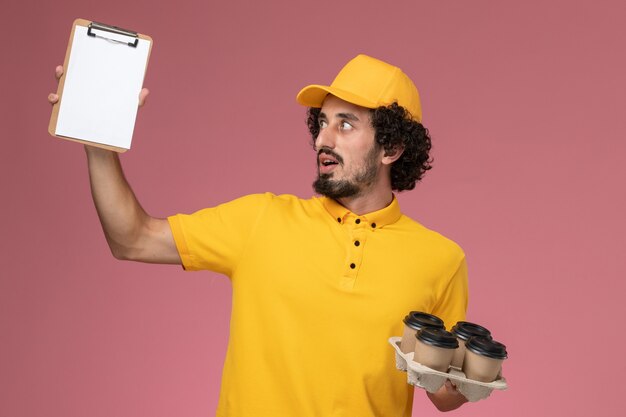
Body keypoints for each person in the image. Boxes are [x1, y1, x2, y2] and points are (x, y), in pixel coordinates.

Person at [49, 54, 469, 416]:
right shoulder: (262, 220)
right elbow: (132, 238)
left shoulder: (441, 259)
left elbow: (443, 396)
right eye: (321, 122)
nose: (322, 139)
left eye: (345, 125)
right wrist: (98, 142)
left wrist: (467, 380)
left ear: (391, 149)